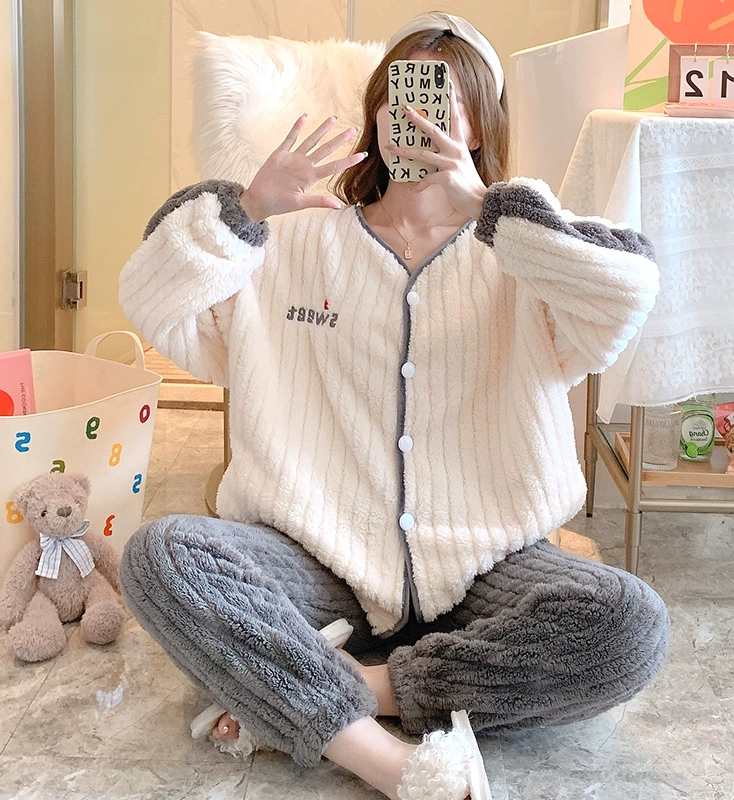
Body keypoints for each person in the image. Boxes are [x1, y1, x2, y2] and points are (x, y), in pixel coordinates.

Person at [119, 12, 669, 800]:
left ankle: (326, 688)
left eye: (448, 101)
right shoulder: (293, 242)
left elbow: (626, 295)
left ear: (480, 124)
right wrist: (247, 206)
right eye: (400, 95)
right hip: (317, 560)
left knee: (629, 625)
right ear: (375, 115)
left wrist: (491, 208)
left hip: (487, 567)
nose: (418, 115)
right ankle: (386, 761)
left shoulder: (521, 249)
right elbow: (152, 300)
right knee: (163, 555)